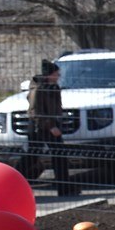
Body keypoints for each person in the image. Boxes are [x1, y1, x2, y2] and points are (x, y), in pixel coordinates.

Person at [17, 59, 76, 196]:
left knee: (59, 155)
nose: (58, 77)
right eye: (56, 74)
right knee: (31, 157)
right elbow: (35, 112)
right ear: (49, 75)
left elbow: (55, 108)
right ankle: (13, 181)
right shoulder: (38, 89)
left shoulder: (53, 87)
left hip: (50, 124)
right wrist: (51, 127)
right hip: (40, 126)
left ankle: (64, 188)